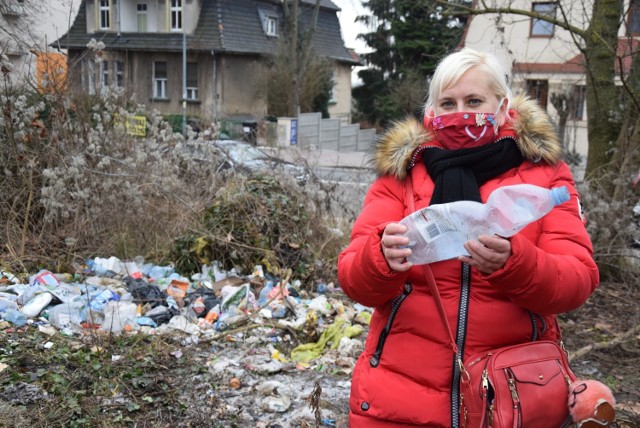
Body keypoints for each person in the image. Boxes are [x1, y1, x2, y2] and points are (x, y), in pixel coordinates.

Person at [337, 48, 599, 427]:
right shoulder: (400, 177)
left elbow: (577, 280)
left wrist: (514, 263)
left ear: (503, 106)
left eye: (474, 100)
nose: (460, 112)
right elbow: (353, 279)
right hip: (399, 393)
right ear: (431, 112)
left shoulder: (545, 177)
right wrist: (379, 257)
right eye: (448, 102)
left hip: (511, 394)